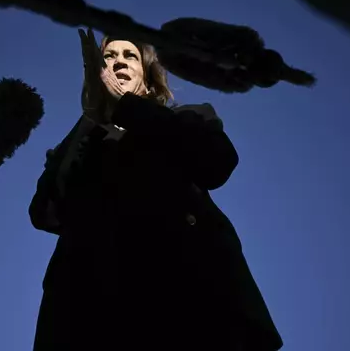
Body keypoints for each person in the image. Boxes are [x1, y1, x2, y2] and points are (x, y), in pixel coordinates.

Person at [29, 28, 283, 351]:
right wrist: (92, 118)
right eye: (108, 56)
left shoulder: (185, 118)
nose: (118, 62)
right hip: (91, 315)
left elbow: (217, 162)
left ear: (148, 79)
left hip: (186, 304)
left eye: (129, 55)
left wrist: (128, 107)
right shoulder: (81, 143)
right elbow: (45, 212)